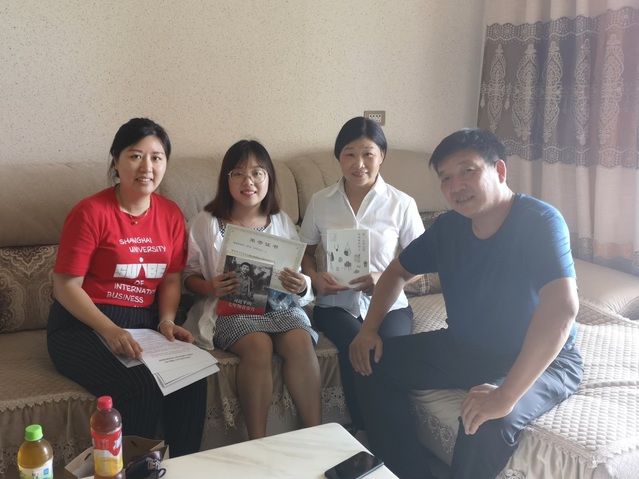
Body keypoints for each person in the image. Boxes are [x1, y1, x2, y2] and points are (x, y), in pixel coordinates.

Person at [349, 128, 583, 479]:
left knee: (484, 422)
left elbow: (562, 307)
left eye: (467, 171)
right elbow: (396, 272)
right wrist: (369, 329)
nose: (455, 185)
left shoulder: (540, 222)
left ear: (499, 171)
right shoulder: (449, 227)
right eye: (446, 178)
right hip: (465, 347)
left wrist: (506, 394)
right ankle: (407, 472)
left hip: (543, 360)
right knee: (369, 362)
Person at [47, 117, 207, 457]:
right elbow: (65, 286)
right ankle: (134, 472)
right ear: (116, 161)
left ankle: (184, 469)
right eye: (135, 156)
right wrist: (109, 330)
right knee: (141, 387)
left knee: (191, 378)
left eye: (156, 157)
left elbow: (171, 278)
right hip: (82, 323)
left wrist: (166, 321)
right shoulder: (91, 212)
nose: (147, 167)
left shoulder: (171, 215)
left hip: (144, 322)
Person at [182, 139, 321, 439]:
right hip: (232, 309)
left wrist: (301, 284)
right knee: (258, 346)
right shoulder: (205, 223)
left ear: (269, 178)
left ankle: (317, 436)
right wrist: (209, 287)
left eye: (258, 173)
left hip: (280, 308)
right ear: (226, 179)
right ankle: (258, 442)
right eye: (239, 173)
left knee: (301, 342)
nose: (249, 181)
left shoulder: (281, 221)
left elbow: (297, 272)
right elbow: (187, 276)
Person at [299, 117, 424, 432]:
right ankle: (370, 435)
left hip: (390, 305)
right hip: (336, 306)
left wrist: (384, 277)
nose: (359, 164)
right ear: (338, 157)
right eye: (350, 154)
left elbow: (421, 265)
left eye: (368, 154)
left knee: (390, 355)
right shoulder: (321, 201)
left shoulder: (401, 203)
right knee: (361, 347)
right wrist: (314, 277)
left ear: (382, 155)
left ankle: (372, 435)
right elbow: (305, 253)